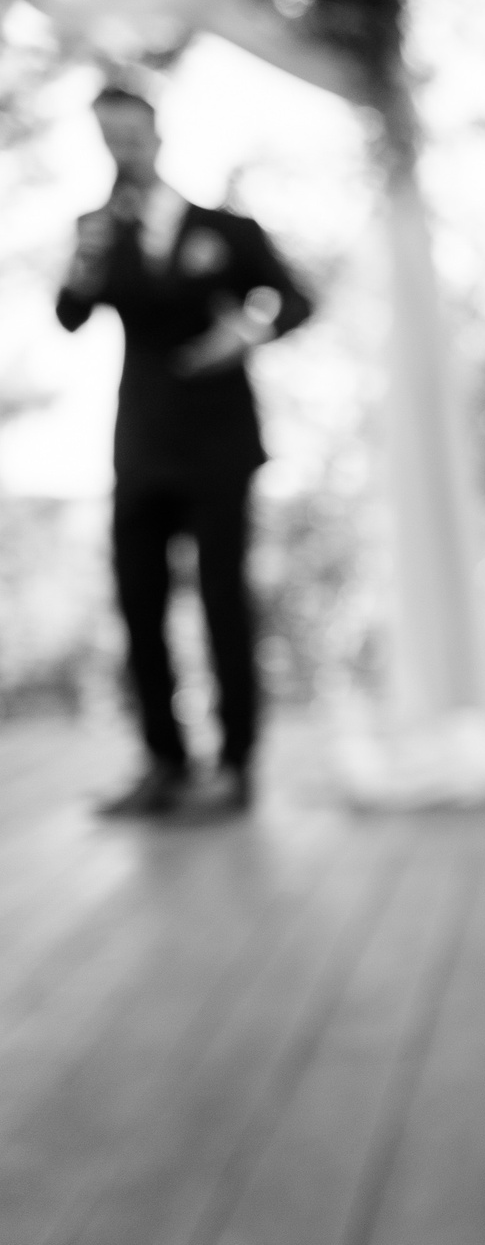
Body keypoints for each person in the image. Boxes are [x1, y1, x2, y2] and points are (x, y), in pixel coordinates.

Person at [55, 85, 312, 820]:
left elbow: (295, 298)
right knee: (139, 603)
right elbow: (69, 315)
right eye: (108, 138)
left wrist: (247, 334)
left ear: (156, 137)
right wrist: (84, 260)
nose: (122, 151)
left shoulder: (226, 231)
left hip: (218, 442)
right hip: (140, 444)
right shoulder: (99, 234)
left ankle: (235, 766)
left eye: (131, 135)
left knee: (222, 599)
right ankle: (163, 762)